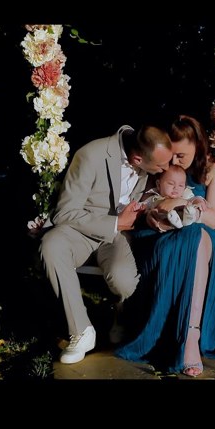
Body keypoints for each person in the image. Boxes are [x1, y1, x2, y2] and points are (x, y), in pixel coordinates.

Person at [115, 115, 215, 377]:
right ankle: (171, 330)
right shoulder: (161, 168)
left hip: (204, 237)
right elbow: (144, 202)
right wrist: (153, 213)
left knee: (196, 236)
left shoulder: (212, 173)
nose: (174, 162)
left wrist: (185, 207)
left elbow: (213, 219)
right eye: (172, 156)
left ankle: (191, 335)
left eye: (181, 156)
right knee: (188, 239)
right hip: (162, 235)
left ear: (197, 146)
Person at [39, 123, 173, 364]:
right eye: (161, 166)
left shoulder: (145, 161)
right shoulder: (90, 155)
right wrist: (115, 222)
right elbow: (65, 212)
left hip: (117, 236)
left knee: (124, 281)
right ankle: (81, 331)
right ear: (137, 159)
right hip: (80, 230)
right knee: (51, 245)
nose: (166, 169)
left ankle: (121, 315)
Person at [141, 164, 205, 230]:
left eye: (180, 185)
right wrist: (141, 208)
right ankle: (171, 223)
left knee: (190, 210)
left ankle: (187, 219)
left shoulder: (185, 195)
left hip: (184, 217)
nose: (176, 188)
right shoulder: (155, 198)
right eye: (171, 183)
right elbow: (144, 205)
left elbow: (194, 199)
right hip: (163, 222)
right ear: (158, 185)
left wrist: (198, 201)